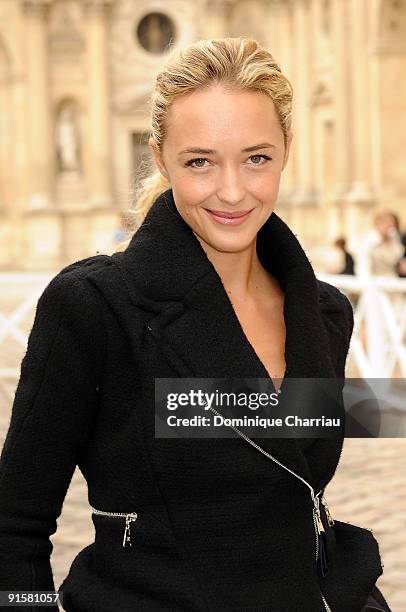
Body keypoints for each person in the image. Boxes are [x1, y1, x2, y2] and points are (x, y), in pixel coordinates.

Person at [0, 37, 391, 612]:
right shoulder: (93, 306)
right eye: (200, 161)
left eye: (256, 157)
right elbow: (13, 530)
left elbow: (294, 444)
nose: (231, 191)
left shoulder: (325, 310)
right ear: (161, 158)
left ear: (287, 151)